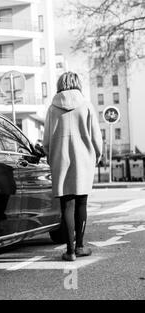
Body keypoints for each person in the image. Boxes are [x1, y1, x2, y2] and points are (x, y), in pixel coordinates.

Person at [43, 72, 103, 261]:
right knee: (81, 203)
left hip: (60, 159)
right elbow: (96, 137)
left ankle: (69, 251)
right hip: (83, 159)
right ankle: (80, 246)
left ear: (59, 84)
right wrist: (96, 156)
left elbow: (46, 141)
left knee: (67, 205)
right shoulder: (86, 105)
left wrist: (50, 155)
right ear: (78, 84)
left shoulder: (52, 108)